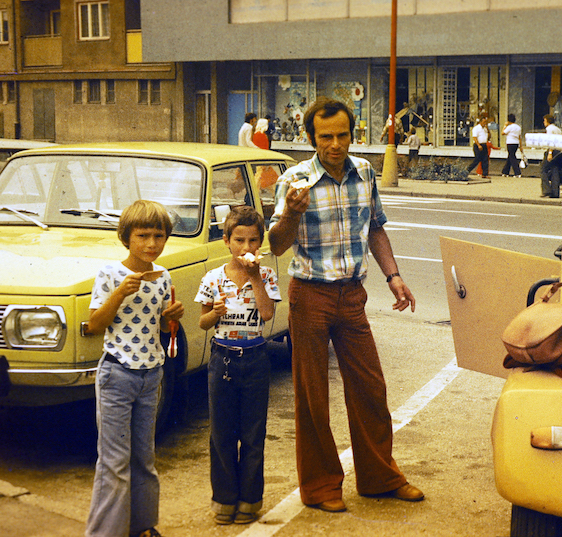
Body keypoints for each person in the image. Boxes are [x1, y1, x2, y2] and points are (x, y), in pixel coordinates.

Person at [268, 97, 423, 514]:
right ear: (311, 138)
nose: (335, 144)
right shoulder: (295, 180)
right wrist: (291, 215)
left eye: (342, 135)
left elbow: (376, 229)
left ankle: (379, 477)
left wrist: (393, 276)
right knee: (312, 395)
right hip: (310, 296)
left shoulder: (365, 172)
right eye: (326, 137)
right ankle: (320, 486)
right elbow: (277, 245)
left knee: (370, 387)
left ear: (352, 135)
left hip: (352, 296)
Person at [85, 200, 185, 537]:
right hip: (117, 374)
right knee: (114, 462)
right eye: (143, 236)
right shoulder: (110, 274)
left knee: (144, 457)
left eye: (159, 236)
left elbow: (158, 326)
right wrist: (119, 294)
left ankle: (142, 526)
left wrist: (171, 317)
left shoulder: (163, 276)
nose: (152, 243)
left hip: (151, 374)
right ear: (126, 237)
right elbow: (94, 324)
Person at [196, 206, 281, 526]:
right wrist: (215, 312)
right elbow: (203, 322)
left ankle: (250, 500)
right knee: (221, 434)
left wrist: (255, 275)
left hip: (256, 357)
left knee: (253, 433)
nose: (247, 247)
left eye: (253, 241)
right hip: (223, 359)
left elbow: (267, 314)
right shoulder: (213, 278)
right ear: (226, 241)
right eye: (239, 240)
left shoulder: (266, 275)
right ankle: (224, 499)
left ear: (261, 242)